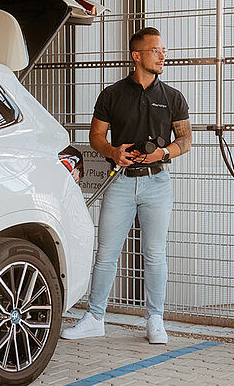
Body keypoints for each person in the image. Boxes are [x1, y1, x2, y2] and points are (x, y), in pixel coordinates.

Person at [61, 27, 192, 344]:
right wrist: (113, 152)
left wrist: (163, 152)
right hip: (119, 182)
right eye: (156, 50)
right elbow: (96, 137)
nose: (163, 55)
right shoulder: (112, 94)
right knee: (106, 252)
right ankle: (94, 317)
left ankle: (155, 320)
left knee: (155, 254)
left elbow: (185, 141)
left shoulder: (173, 97)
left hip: (158, 182)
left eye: (164, 50)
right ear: (137, 55)